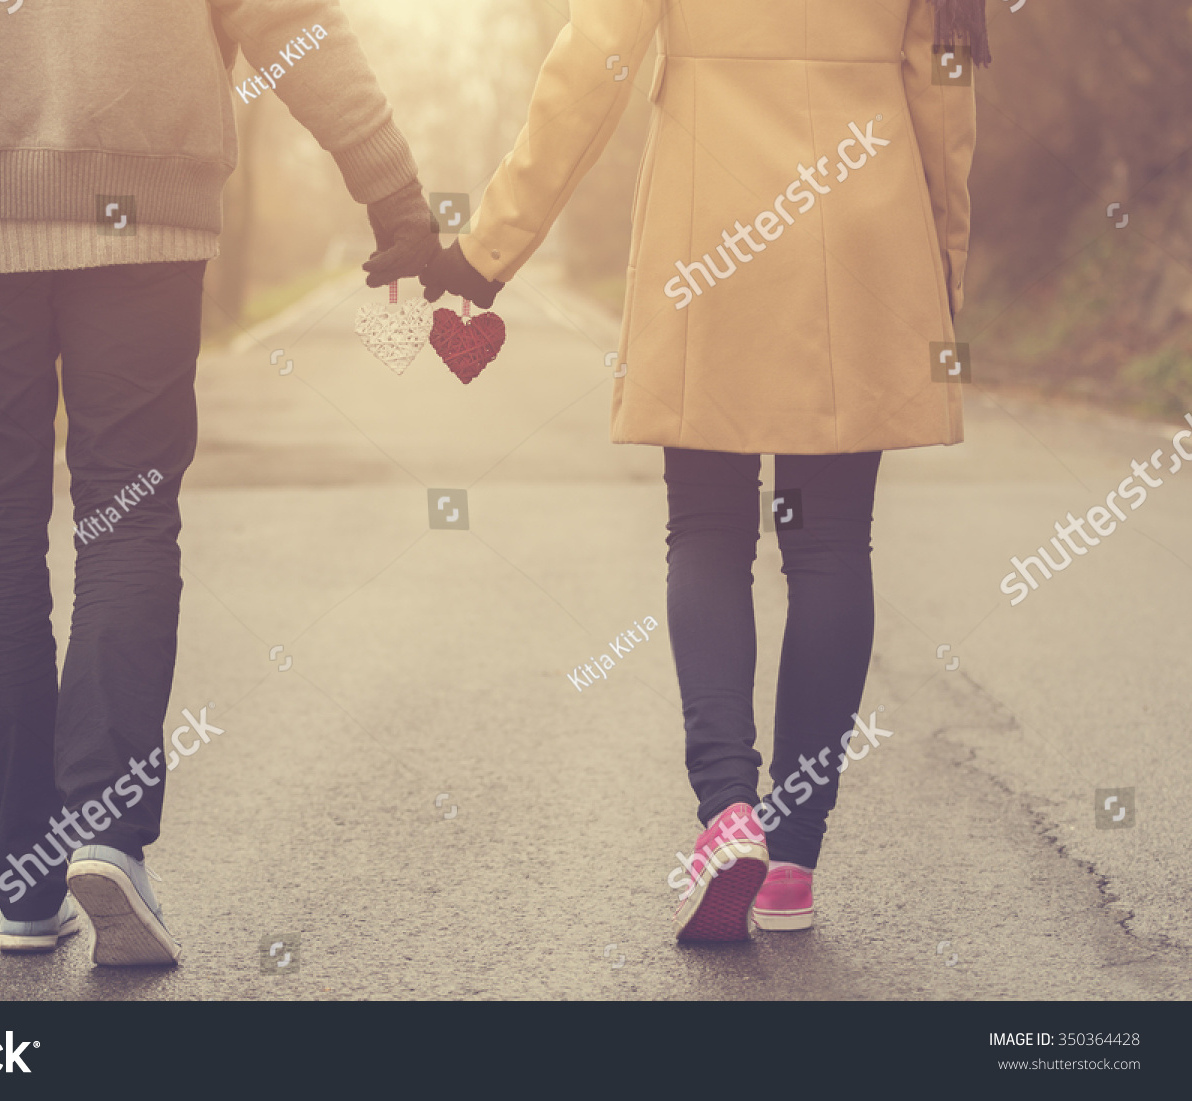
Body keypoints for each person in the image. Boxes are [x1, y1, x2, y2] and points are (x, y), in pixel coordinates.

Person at [0, 0, 437, 965]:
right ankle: (105, 835)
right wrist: (389, 184)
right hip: (143, 195)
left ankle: (24, 884)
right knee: (128, 520)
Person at [422, 0, 989, 941]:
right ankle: (792, 861)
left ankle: (728, 814)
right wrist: (940, 270)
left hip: (711, 224)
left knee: (709, 530)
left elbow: (593, 61)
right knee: (831, 544)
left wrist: (488, 250)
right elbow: (945, 87)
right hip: (867, 224)